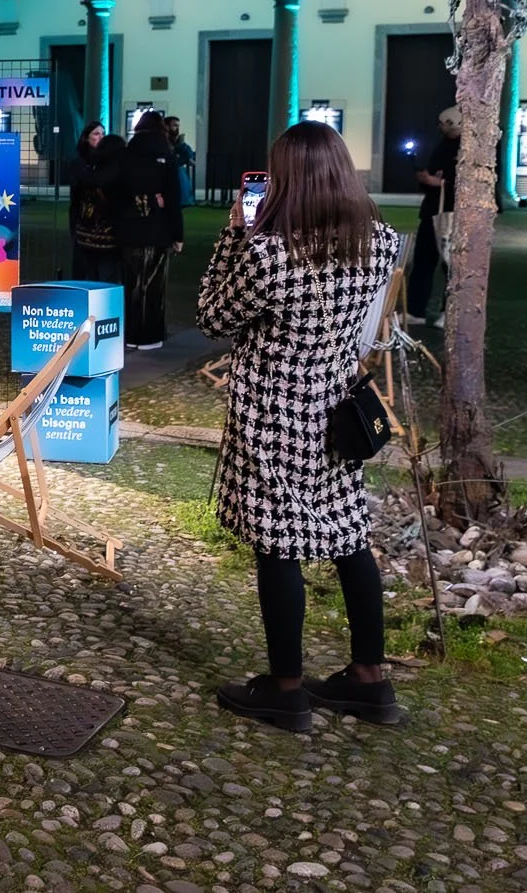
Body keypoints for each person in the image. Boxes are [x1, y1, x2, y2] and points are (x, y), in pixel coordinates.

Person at [196, 120, 405, 733]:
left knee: (277, 542)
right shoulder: (382, 243)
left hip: (273, 408)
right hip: (339, 403)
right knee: (348, 536)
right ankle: (370, 679)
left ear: (285, 180)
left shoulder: (270, 254)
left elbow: (212, 314)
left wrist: (235, 235)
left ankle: (286, 690)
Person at [114, 111, 183, 350]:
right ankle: (150, 336)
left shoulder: (126, 155)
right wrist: (178, 235)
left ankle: (131, 334)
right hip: (157, 230)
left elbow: (117, 193)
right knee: (154, 287)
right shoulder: (166, 155)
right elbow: (174, 198)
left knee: (131, 284)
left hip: (129, 231)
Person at [405, 106, 460, 327]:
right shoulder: (443, 145)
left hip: (453, 211)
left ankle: (451, 311)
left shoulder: (466, 147)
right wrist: (428, 180)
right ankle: (416, 310)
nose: (440, 127)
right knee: (423, 261)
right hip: (432, 210)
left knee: (452, 264)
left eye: (444, 123)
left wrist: (442, 183)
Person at [64, 121, 119, 283]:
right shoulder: (79, 163)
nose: (100, 137)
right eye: (96, 134)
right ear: (86, 138)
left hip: (105, 225)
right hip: (84, 219)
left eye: (103, 133)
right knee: (84, 265)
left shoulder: (109, 162)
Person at [165, 115, 197, 208]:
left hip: (177, 169)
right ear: (167, 126)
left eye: (178, 126)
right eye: (174, 125)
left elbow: (188, 153)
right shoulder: (162, 140)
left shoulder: (179, 142)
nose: (177, 128)